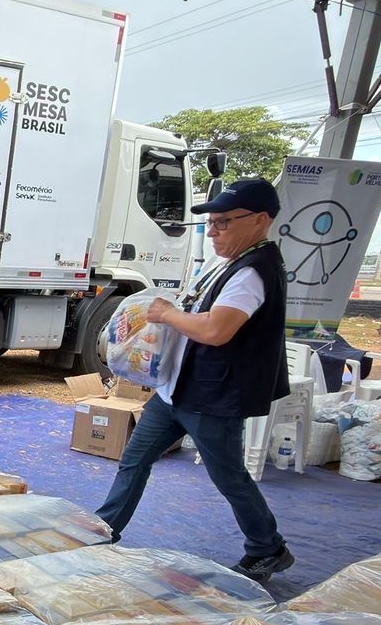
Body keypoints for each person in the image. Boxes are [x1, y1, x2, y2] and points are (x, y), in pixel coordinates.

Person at [96, 178, 293, 582]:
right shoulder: (233, 262)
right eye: (211, 223)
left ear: (260, 220)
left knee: (228, 476)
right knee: (134, 459)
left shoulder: (254, 271)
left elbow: (217, 330)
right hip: (177, 389)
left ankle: (267, 548)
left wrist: (168, 315)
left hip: (213, 396)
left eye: (223, 222)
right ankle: (103, 530)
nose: (214, 231)